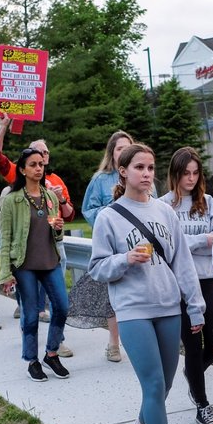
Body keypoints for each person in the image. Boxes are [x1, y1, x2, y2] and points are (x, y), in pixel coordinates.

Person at [89, 143, 205, 424]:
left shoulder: (165, 212)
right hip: (133, 309)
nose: (147, 173)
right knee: (153, 384)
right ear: (123, 172)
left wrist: (195, 305)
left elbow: (183, 262)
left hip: (168, 306)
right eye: (139, 167)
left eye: (151, 167)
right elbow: (96, 269)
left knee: (166, 384)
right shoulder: (109, 216)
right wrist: (125, 259)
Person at [160, 146, 213, 424]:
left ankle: (191, 373)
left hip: (208, 279)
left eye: (195, 173)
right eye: (186, 173)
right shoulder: (163, 206)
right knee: (194, 346)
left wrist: (190, 242)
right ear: (175, 174)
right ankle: (202, 404)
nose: (191, 178)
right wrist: (201, 241)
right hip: (181, 284)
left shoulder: (209, 202)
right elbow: (169, 245)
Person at [0, 148, 70, 381]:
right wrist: (5, 274)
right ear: (22, 169)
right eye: (33, 164)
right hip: (24, 264)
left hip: (50, 261)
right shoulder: (12, 200)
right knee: (30, 315)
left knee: (62, 306)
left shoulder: (50, 197)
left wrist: (58, 229)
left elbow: (56, 235)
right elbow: (5, 239)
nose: (39, 168)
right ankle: (32, 360)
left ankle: (51, 353)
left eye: (41, 164)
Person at [79, 130, 135, 362]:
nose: (123, 152)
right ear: (111, 153)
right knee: (113, 296)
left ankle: (136, 342)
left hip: (137, 243)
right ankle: (114, 342)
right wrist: (111, 212)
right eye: (119, 148)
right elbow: (88, 210)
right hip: (112, 246)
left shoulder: (140, 175)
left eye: (127, 147)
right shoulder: (100, 180)